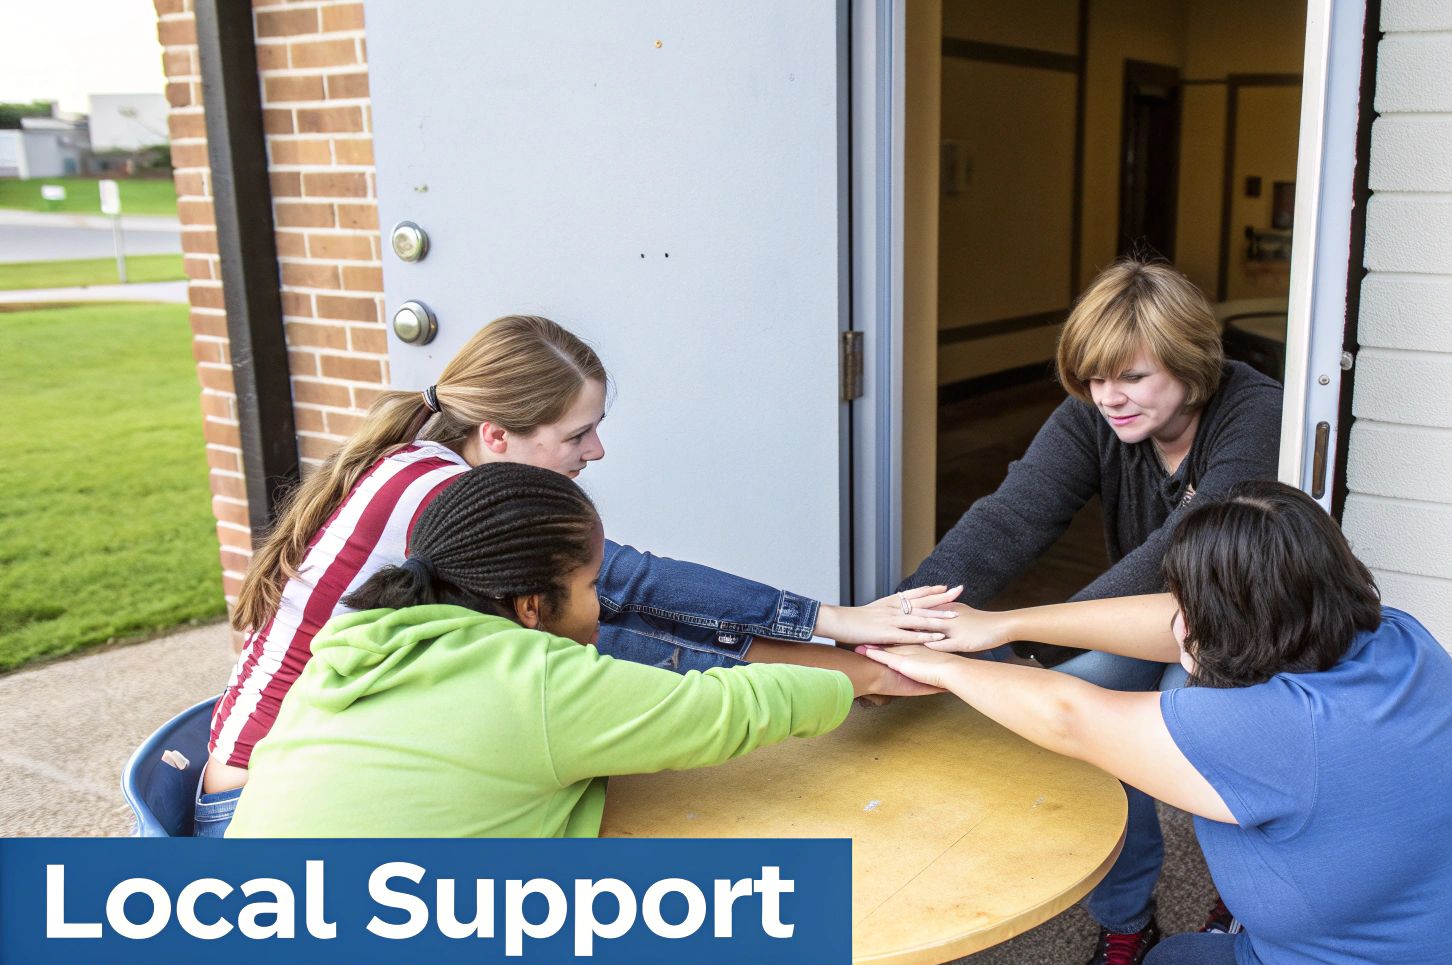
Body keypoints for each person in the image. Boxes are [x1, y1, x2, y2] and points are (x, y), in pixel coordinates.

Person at [156, 463, 938, 965]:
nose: (602, 607)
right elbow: (723, 708)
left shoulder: (357, 649)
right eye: (594, 585)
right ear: (531, 605)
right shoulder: (526, 684)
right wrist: (861, 680)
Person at [866, 481, 1452, 965]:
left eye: (1191, 603)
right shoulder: (1397, 643)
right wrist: (998, 625)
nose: (1176, 620)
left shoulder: (1272, 733)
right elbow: (1176, 624)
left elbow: (1070, 717)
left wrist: (940, 666)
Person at [202, 314, 957, 837]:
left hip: (266, 782)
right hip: (265, 819)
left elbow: (609, 616)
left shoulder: (428, 467)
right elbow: (633, 594)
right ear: (496, 435)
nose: (594, 452)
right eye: (577, 433)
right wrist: (841, 629)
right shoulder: (441, 497)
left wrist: (832, 654)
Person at [899, 258, 1281, 965]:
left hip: (1231, 625)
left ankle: (1243, 914)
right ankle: (1126, 921)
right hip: (1136, 614)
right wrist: (913, 614)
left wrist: (1030, 642)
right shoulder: (1095, 414)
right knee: (1086, 726)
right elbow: (1013, 517)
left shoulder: (1253, 410)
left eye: (1132, 378)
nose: (1109, 397)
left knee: (1191, 728)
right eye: (1094, 377)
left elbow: (1181, 547)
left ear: (1190, 363)